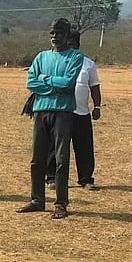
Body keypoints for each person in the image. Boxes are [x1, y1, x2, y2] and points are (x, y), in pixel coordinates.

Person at [18, 18, 83, 219]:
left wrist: (44, 79)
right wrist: (54, 85)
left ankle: (61, 203)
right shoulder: (41, 56)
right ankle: (37, 200)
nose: (55, 37)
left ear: (67, 35)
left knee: (61, 159)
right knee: (37, 158)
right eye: (52, 33)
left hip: (63, 113)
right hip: (41, 111)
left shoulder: (75, 56)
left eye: (59, 33)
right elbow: (31, 83)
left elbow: (68, 84)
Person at [43, 30, 101, 190]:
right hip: (60, 111)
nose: (71, 47)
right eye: (68, 43)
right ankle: (51, 178)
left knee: (84, 147)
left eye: (74, 44)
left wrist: (97, 106)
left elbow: (94, 86)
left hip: (81, 113)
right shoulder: (57, 61)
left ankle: (86, 179)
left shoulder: (88, 64)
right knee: (56, 146)